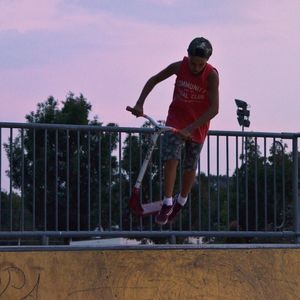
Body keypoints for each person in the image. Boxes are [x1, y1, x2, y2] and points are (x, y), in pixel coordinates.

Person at [130, 37, 219, 225]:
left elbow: (214, 109)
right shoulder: (179, 67)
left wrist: (190, 129)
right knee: (171, 156)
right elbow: (153, 80)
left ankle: (182, 200)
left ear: (207, 62)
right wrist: (140, 103)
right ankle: (167, 201)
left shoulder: (211, 76)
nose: (195, 68)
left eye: (200, 64)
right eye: (193, 63)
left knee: (189, 165)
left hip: (197, 124)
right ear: (187, 57)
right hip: (176, 119)